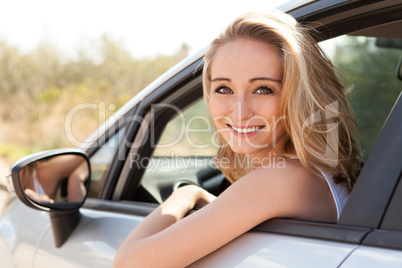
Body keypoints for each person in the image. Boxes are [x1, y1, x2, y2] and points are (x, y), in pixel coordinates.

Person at [113, 10, 360, 268]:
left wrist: (186, 193)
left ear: (297, 96)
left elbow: (129, 263)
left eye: (263, 89)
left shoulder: (284, 179)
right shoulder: (311, 175)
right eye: (224, 89)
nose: (240, 111)